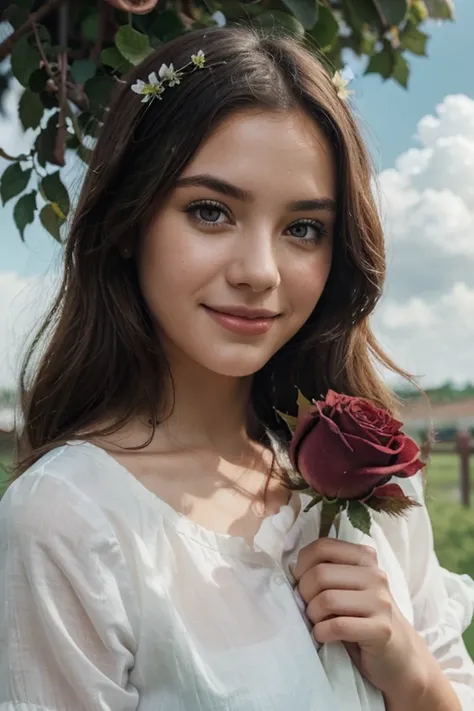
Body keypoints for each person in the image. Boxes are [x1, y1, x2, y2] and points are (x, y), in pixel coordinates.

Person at [0, 25, 473, 711]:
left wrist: (407, 667)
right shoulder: (69, 520)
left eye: (303, 228)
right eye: (210, 212)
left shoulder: (369, 473)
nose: (259, 272)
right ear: (131, 221)